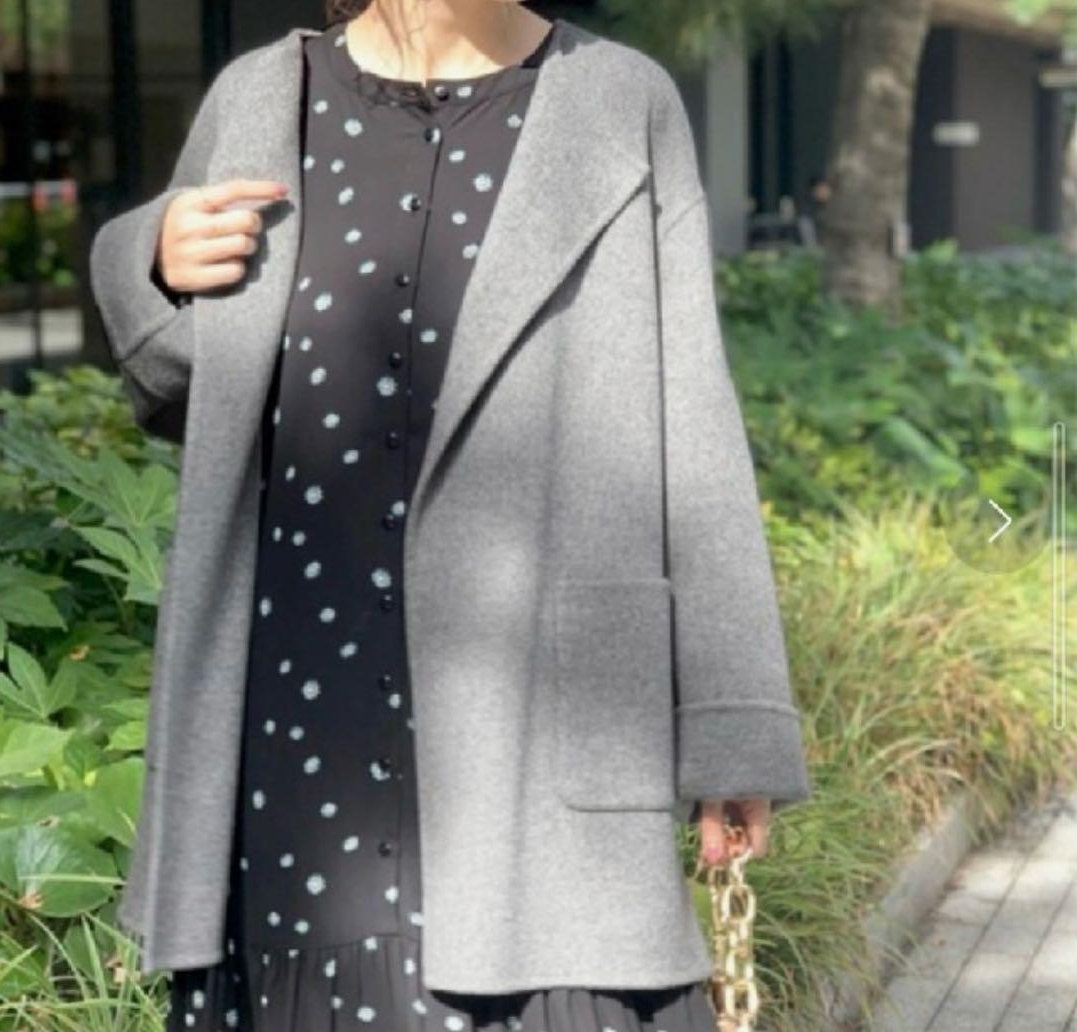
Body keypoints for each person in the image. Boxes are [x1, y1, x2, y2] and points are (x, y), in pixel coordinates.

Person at [89, 1, 812, 1028]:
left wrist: (733, 730)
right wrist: (150, 261)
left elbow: (692, 425)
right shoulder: (261, 99)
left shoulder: (619, 101)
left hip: (544, 749)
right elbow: (184, 389)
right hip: (296, 752)